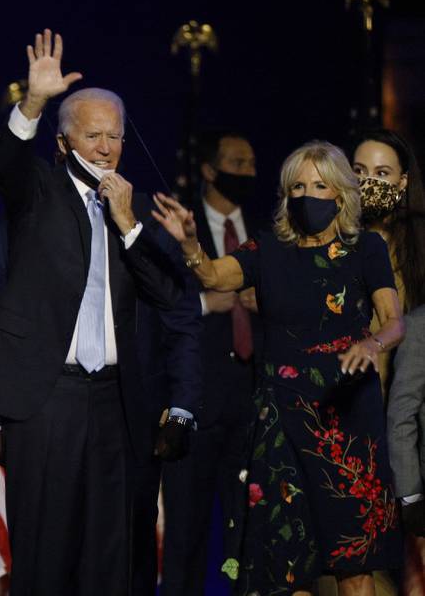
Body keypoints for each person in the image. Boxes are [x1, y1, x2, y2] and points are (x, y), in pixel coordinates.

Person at [0, 29, 197, 594]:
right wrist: (35, 101)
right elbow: (7, 164)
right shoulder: (36, 193)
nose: (107, 148)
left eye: (114, 137)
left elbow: (175, 302)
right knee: (45, 556)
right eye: (93, 136)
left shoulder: (135, 211)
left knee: (112, 559)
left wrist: (131, 227)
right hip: (47, 403)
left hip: (118, 405)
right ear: (65, 143)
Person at [153, 141, 405, 595]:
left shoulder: (365, 248)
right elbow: (212, 275)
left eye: (320, 185)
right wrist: (190, 241)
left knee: (354, 566)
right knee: (287, 566)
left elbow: (394, 322)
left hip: (345, 423)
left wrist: (372, 343)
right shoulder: (266, 251)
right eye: (298, 186)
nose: (308, 195)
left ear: (341, 194)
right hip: (281, 425)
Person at [160, 128, 263, 596]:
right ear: (209, 169)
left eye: (251, 165)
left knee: (248, 535)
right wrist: (207, 303)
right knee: (186, 534)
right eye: (237, 164)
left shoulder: (268, 230)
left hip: (253, 407)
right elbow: (159, 303)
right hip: (196, 404)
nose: (248, 173)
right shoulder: (178, 228)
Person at [351, 129, 425, 590]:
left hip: (406, 427)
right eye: (358, 173)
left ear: (402, 183)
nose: (368, 184)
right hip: (348, 417)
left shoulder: (418, 248)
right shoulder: (327, 243)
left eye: (380, 174)